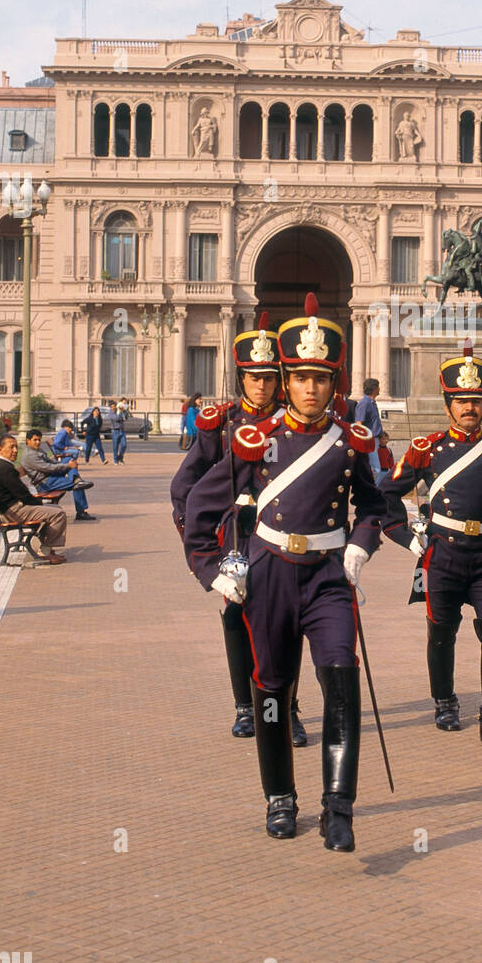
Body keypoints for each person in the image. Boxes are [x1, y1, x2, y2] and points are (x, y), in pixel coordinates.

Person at [183, 293, 385, 851]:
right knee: (272, 689)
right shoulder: (254, 442)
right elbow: (200, 504)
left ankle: (338, 807)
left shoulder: (349, 443)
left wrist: (361, 545)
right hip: (269, 572)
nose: (311, 388)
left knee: (341, 680)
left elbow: (375, 507)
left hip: (327, 577)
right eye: (300, 378)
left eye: (321, 378)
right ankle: (280, 796)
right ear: (286, 381)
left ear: (333, 382)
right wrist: (212, 568)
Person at [380, 340, 482, 739]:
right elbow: (385, 492)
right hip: (444, 554)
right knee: (442, 631)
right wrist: (406, 537)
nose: (469, 408)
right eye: (460, 400)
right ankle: (445, 701)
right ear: (448, 404)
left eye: (475, 400)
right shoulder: (426, 449)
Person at [170, 313, 307, 746]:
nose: (262, 385)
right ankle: (245, 707)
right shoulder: (221, 422)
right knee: (235, 617)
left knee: (287, 622)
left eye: (269, 377)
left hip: (280, 535)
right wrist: (200, 541)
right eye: (253, 377)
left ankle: (289, 709)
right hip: (234, 539)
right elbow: (185, 486)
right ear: (240, 378)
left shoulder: (295, 422)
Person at [0, 434, 68, 564]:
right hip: (14, 511)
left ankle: (47, 549)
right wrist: (41, 504)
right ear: (0, 450)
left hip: (8, 510)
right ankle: (45, 551)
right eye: (11, 447)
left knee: (55, 509)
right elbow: (25, 496)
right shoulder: (5, 469)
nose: (15, 450)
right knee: (58, 514)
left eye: (16, 447)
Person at [21, 428, 96, 521]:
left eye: (39, 440)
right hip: (45, 483)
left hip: (51, 477)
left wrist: (66, 464)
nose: (38, 442)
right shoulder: (29, 455)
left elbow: (51, 462)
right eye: (35, 440)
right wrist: (67, 467)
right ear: (28, 440)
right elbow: (47, 467)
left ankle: (76, 479)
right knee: (78, 485)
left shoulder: (37, 450)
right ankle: (81, 511)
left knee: (69, 460)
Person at [108, 399, 128, 464]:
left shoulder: (119, 411)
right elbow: (116, 418)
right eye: (112, 407)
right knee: (115, 446)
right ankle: (116, 460)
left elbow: (126, 418)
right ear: (110, 407)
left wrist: (124, 411)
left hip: (122, 430)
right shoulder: (111, 413)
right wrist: (120, 413)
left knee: (124, 445)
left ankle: (120, 457)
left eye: (114, 406)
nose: (113, 408)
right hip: (115, 431)